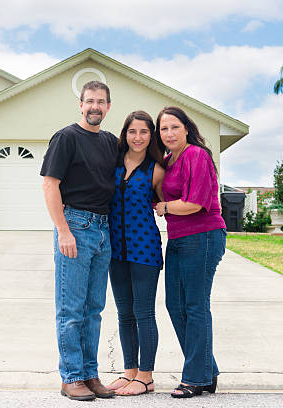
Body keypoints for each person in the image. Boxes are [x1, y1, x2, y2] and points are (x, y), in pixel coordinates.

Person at [40, 81, 118, 401]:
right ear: (80, 105)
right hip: (75, 226)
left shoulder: (111, 143)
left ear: (108, 107)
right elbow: (49, 185)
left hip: (103, 229)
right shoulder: (66, 138)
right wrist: (63, 230)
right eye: (89, 101)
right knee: (71, 309)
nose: (94, 106)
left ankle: (89, 373)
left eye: (100, 101)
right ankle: (70, 376)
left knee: (94, 309)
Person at [154, 106, 226, 399]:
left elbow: (195, 203)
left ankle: (195, 378)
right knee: (175, 305)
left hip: (204, 236)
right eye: (163, 129)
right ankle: (207, 371)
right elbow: (164, 192)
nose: (169, 133)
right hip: (179, 238)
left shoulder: (197, 155)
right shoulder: (169, 160)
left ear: (186, 128)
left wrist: (165, 207)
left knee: (195, 306)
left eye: (174, 127)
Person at [106, 111, 165, 396]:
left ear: (151, 135)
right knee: (123, 313)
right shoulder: (113, 164)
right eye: (132, 131)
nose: (138, 137)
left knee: (143, 312)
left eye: (144, 132)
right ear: (125, 134)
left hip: (145, 250)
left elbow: (170, 200)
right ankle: (130, 372)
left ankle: (146, 376)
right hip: (115, 249)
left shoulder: (157, 170)